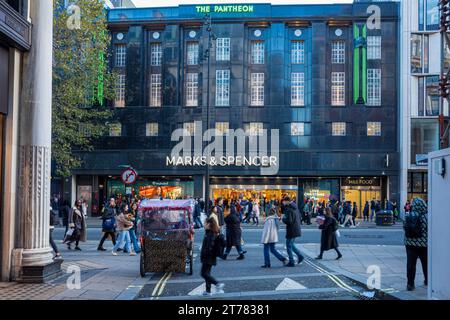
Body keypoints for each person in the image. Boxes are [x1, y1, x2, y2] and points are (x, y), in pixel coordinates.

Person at [404, 198, 428, 291]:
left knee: (411, 264)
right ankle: (427, 280)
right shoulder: (427, 216)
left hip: (410, 244)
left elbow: (404, 227)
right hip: (424, 244)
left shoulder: (409, 215)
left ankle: (410, 284)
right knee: (426, 263)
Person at [200, 217, 225, 296]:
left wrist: (204, 254)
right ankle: (208, 291)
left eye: (205, 223)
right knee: (207, 274)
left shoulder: (210, 233)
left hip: (208, 257)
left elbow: (209, 246)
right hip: (210, 256)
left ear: (209, 224)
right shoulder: (210, 232)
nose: (204, 224)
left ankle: (217, 284)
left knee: (203, 274)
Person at [282, 196, 304, 267]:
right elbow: (299, 216)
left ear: (287, 201)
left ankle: (291, 261)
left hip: (291, 230)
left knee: (288, 245)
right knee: (291, 244)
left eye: (284, 201)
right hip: (296, 228)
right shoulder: (295, 207)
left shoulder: (289, 209)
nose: (283, 202)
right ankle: (300, 256)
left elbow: (289, 221)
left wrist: (283, 219)